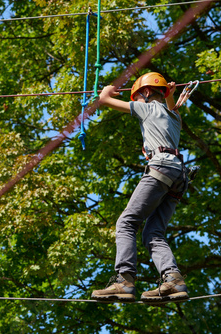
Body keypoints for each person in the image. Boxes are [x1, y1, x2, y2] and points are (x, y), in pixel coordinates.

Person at [90, 72, 189, 304]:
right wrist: (170, 96)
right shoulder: (175, 118)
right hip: (179, 176)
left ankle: (124, 280)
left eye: (139, 96)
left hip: (160, 169)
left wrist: (105, 92)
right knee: (152, 232)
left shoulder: (148, 108)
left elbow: (104, 101)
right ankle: (173, 279)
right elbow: (173, 109)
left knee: (126, 223)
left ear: (144, 93)